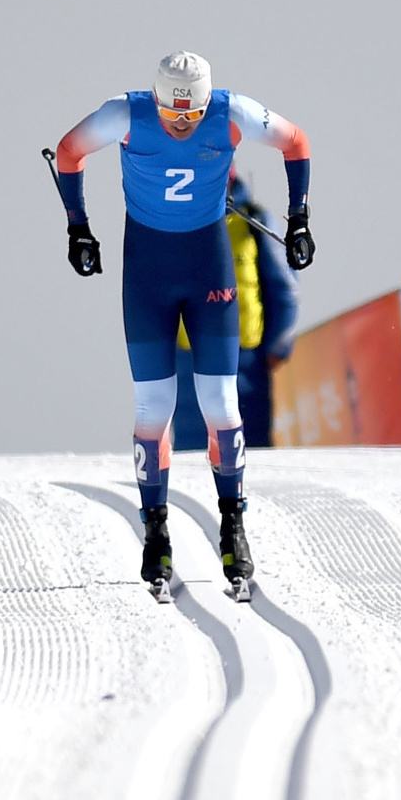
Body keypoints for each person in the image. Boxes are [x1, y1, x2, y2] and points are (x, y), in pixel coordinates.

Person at [53, 51, 314, 595]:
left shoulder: (231, 112)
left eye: (191, 115)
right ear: (156, 100)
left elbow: (295, 142)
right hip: (147, 276)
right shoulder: (125, 114)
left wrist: (299, 219)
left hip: (208, 270)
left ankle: (234, 527)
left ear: (205, 103)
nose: (180, 124)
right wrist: (78, 228)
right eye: (172, 114)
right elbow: (70, 151)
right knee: (154, 409)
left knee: (221, 404)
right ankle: (156, 534)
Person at [173, 170, 299, 452]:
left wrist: (277, 346)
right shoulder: (172, 224)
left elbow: (285, 291)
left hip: (245, 359)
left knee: (249, 444)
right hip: (190, 359)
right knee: (194, 450)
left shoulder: (255, 221)